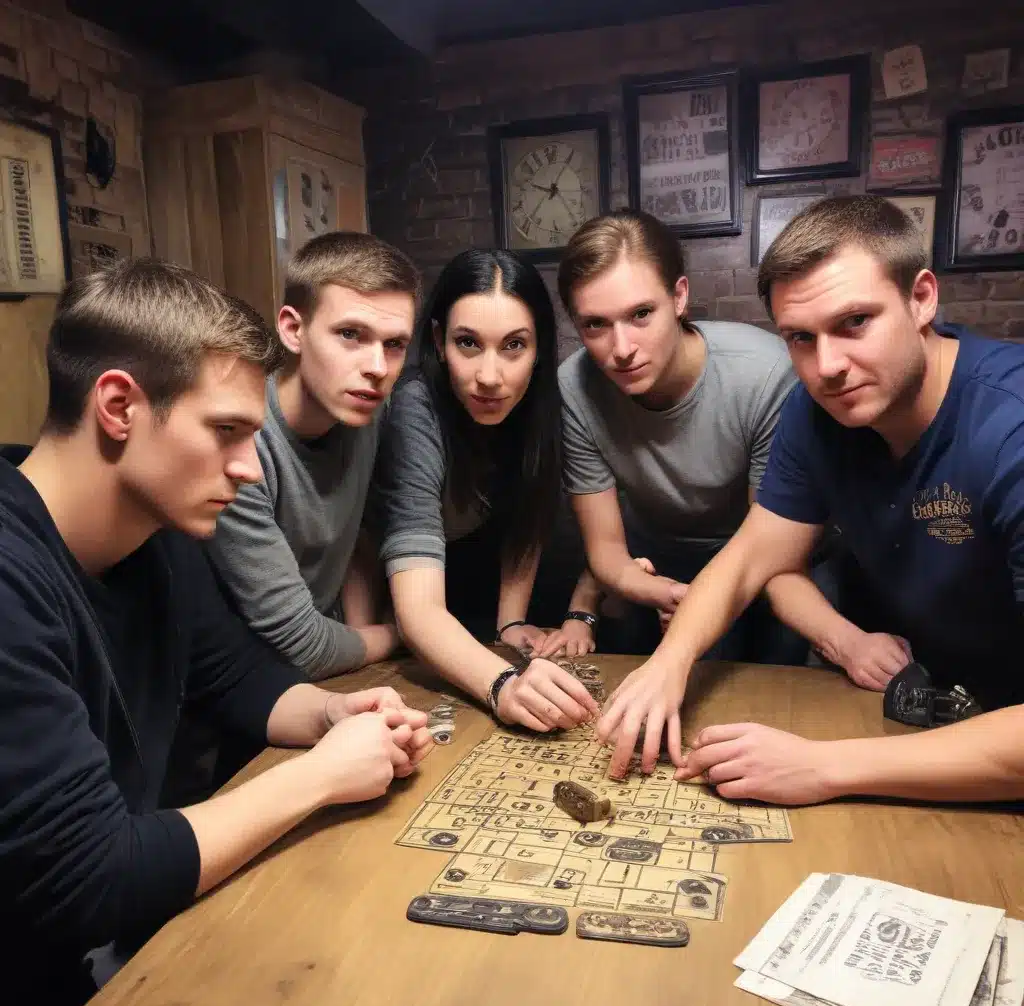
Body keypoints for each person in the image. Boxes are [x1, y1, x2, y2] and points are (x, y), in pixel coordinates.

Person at [0, 259, 432, 1006]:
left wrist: (329, 715)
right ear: (118, 406)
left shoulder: (154, 531)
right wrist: (323, 776)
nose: (250, 471)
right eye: (226, 432)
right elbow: (91, 877)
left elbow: (231, 675)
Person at [597, 194, 1024, 804]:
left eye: (855, 322)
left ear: (922, 298)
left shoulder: (1011, 428)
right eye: (800, 337)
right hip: (926, 704)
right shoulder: (814, 409)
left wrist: (823, 767)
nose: (827, 366)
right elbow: (753, 556)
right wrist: (667, 665)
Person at [557, 208, 808, 662]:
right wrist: (666, 593)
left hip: (760, 556)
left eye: (641, 314)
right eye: (595, 324)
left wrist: (701, 607)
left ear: (679, 297)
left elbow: (766, 546)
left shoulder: (766, 374)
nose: (621, 349)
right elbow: (607, 550)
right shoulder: (574, 386)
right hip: (653, 556)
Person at [375, 248, 602, 732]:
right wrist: (503, 686)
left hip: (470, 590)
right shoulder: (416, 407)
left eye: (514, 345)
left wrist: (509, 622)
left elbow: (528, 516)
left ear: (539, 349)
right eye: (468, 343)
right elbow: (417, 610)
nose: (490, 377)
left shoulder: (541, 406)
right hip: (399, 597)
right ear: (439, 342)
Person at [208, 231, 419, 680]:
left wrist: (361, 630)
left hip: (333, 662)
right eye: (350, 334)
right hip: (244, 685)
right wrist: (406, 633)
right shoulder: (242, 446)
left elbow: (363, 533)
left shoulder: (367, 412)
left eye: (394, 344)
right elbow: (302, 647)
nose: (377, 368)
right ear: (293, 329)